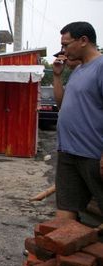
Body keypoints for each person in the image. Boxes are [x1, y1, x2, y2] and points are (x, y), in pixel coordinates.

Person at [51, 21, 103, 220]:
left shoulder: (100, 67)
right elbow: (62, 106)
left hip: (92, 154)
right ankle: (60, 247)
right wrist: (57, 77)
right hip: (67, 151)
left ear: (83, 40)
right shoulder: (79, 70)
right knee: (66, 209)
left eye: (66, 44)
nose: (63, 50)